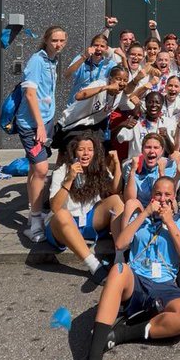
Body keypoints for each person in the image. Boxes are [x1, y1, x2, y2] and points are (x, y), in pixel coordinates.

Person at [69, 177, 180, 360]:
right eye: (158, 194)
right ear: (152, 197)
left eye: (168, 195)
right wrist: (144, 213)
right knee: (119, 269)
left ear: (174, 199)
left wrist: (170, 222)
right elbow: (120, 243)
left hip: (165, 284)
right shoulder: (143, 218)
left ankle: (121, 334)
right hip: (136, 280)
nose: (163, 199)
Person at [46, 134, 123, 282]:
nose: (86, 153)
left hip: (88, 219)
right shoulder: (61, 171)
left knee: (116, 200)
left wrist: (116, 164)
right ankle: (94, 265)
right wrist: (69, 179)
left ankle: (120, 257)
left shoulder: (98, 169)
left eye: (90, 150)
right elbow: (55, 208)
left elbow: (115, 189)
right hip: (62, 227)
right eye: (81, 150)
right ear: (74, 152)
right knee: (62, 214)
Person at [15, 25, 68, 243]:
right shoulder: (37, 60)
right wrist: (38, 124)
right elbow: (29, 93)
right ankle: (36, 220)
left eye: (62, 41)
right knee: (41, 169)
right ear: (46, 40)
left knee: (34, 167)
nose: (58, 44)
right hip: (31, 123)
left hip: (45, 121)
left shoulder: (53, 60)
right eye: (54, 40)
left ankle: (33, 214)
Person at [54, 64, 132, 153]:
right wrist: (105, 88)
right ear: (110, 79)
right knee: (66, 153)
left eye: (125, 80)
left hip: (91, 127)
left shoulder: (121, 94)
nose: (121, 83)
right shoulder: (100, 84)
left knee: (106, 152)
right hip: (71, 123)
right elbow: (78, 96)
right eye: (118, 79)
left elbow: (131, 99)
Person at [121, 133, 180, 228]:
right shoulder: (133, 165)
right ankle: (125, 240)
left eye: (156, 148)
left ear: (162, 151)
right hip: (142, 211)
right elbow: (129, 199)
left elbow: (169, 197)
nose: (152, 151)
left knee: (171, 201)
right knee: (130, 204)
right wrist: (132, 171)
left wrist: (161, 173)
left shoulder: (169, 165)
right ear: (142, 150)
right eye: (148, 147)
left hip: (163, 208)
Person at [64, 33, 123, 106]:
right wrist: (84, 57)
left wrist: (124, 58)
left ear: (106, 49)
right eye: (96, 45)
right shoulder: (81, 59)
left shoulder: (110, 64)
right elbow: (67, 75)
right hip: (77, 104)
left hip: (95, 107)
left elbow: (123, 79)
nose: (98, 48)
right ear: (91, 47)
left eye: (102, 46)